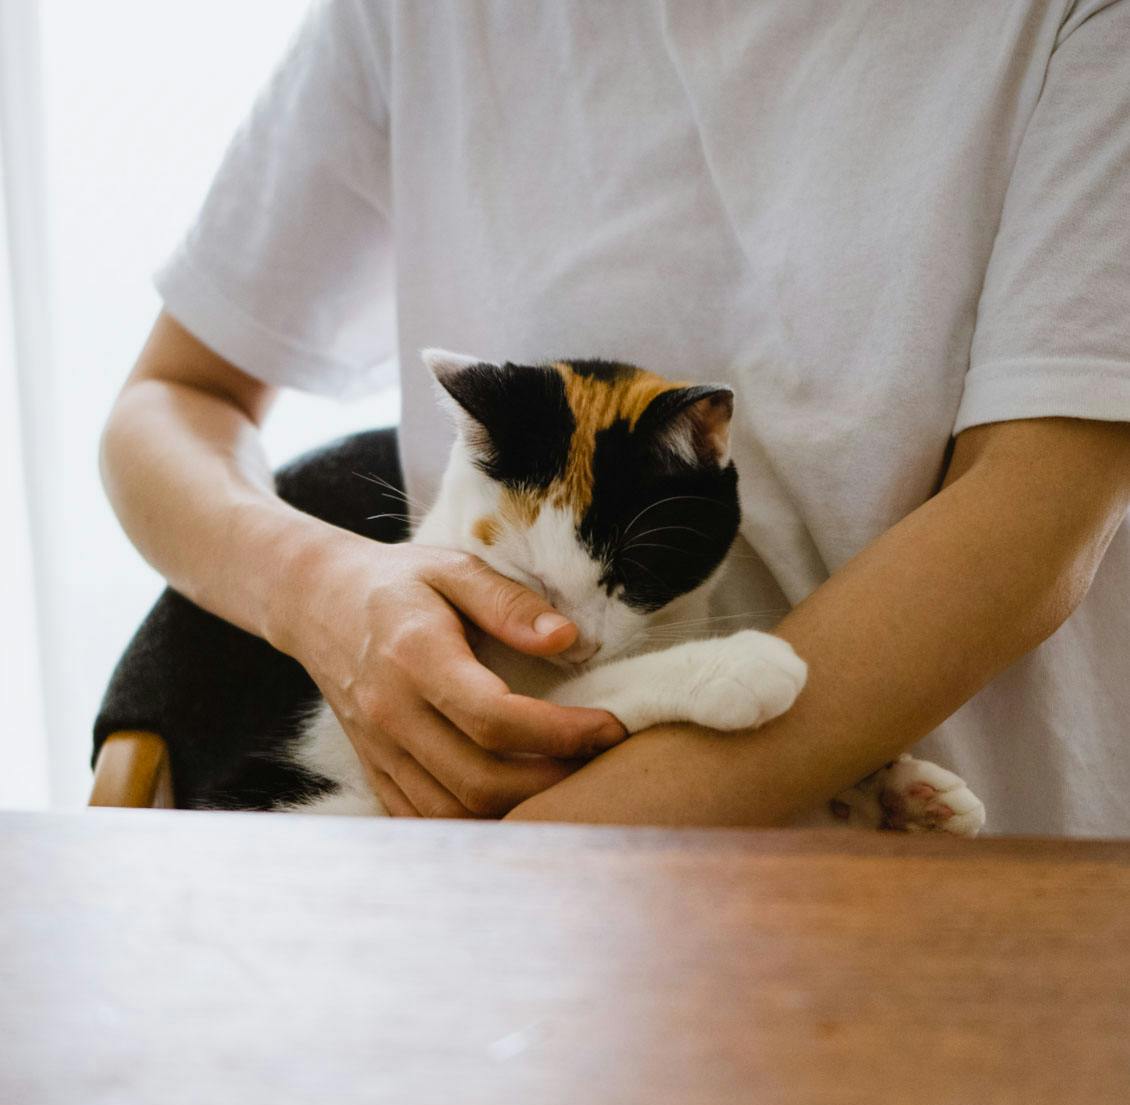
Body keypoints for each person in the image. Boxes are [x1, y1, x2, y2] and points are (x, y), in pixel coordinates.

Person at [101, 1, 1130, 834]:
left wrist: (526, 858)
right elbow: (171, 398)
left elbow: (1038, 508)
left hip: (942, 896)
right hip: (471, 866)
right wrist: (323, 589)